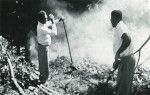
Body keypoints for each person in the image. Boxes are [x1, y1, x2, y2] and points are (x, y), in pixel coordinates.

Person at [111, 10, 135, 95]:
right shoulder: (121, 26)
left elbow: (127, 39)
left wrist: (117, 53)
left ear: (114, 18)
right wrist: (117, 61)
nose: (110, 21)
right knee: (122, 87)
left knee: (123, 90)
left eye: (111, 18)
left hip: (126, 60)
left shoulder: (120, 26)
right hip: (125, 60)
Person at [36, 10, 62, 83]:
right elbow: (54, 33)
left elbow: (49, 22)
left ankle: (42, 78)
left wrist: (58, 20)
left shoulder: (42, 23)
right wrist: (53, 22)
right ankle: (44, 80)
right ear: (40, 19)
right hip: (43, 48)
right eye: (45, 18)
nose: (46, 19)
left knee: (43, 63)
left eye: (46, 18)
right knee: (45, 65)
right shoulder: (42, 28)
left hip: (42, 47)